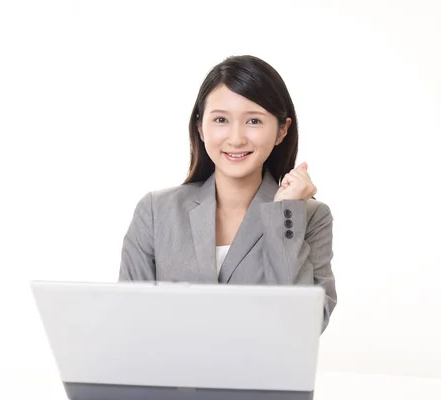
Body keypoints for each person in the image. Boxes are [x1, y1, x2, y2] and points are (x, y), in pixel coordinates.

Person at [118, 55, 336, 330]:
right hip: (169, 373)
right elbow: (129, 319)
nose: (236, 138)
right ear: (200, 127)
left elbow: (304, 325)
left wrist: (284, 213)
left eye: (254, 121)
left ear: (282, 130)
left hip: (261, 373)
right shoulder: (155, 211)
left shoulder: (310, 217)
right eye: (221, 119)